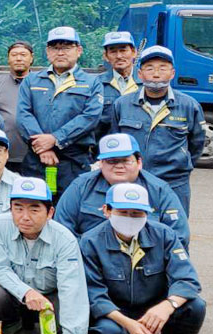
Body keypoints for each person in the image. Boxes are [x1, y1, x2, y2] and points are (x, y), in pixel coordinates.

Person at [81, 183, 204, 334]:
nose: (130, 218)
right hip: (114, 311)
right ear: (106, 210)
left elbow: (187, 279)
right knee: (107, 332)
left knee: (195, 306)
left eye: (137, 213)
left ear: (148, 213)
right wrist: (127, 323)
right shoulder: (90, 241)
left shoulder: (164, 235)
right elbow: (93, 294)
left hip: (153, 307)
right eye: (123, 212)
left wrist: (167, 306)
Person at [0, 177, 88, 334]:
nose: (25, 216)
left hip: (51, 296)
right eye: (18, 208)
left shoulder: (65, 239)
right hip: (16, 294)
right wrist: (27, 292)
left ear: (50, 213)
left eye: (34, 209)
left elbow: (72, 289)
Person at [111, 46, 205, 212]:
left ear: (172, 73)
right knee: (131, 223)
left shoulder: (189, 106)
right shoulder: (122, 104)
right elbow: (115, 139)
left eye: (162, 68)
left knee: (174, 226)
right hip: (133, 181)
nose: (156, 74)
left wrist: (180, 163)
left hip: (174, 183)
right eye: (149, 68)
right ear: (140, 74)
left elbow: (196, 143)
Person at [54, 133, 188, 246]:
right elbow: (62, 230)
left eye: (125, 160)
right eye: (111, 161)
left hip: (145, 261)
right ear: (101, 163)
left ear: (139, 162)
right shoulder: (80, 187)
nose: (119, 166)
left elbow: (178, 237)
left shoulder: (159, 190)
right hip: (91, 260)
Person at [16, 27, 103, 198]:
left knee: (71, 206)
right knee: (34, 205)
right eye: (55, 47)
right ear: (47, 52)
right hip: (37, 160)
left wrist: (55, 139)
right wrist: (42, 148)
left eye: (67, 47)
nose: (60, 52)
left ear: (79, 50)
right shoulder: (32, 81)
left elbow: (90, 117)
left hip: (74, 161)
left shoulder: (91, 83)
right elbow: (23, 114)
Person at [0, 41, 33, 172]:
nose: (18, 58)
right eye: (14, 55)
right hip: (1, 155)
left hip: (34, 155)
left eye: (23, 55)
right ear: (8, 59)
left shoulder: (40, 84)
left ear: (31, 58)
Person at [96, 32, 141, 141]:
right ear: (106, 56)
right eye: (113, 51)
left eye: (123, 50)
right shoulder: (96, 85)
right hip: (106, 147)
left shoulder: (146, 83)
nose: (119, 56)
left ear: (134, 52)